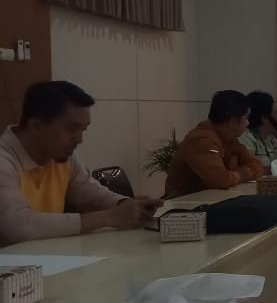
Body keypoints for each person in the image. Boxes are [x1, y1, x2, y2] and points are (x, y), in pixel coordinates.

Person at [0, 81, 162, 246]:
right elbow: (17, 226)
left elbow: (90, 193)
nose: (79, 139)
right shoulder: (4, 159)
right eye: (71, 129)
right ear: (36, 126)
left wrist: (125, 204)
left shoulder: (63, 157)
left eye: (82, 130)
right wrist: (108, 217)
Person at [164, 90, 265, 198]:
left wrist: (238, 175)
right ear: (232, 122)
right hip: (184, 206)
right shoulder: (201, 139)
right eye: (246, 118)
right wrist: (241, 175)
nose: (248, 123)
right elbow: (220, 180)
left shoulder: (229, 137)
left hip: (213, 200)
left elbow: (258, 167)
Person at [239, 91, 277, 171]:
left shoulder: (270, 138)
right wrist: (276, 168)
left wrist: (274, 168)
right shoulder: (245, 139)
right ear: (264, 118)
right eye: (276, 113)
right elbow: (251, 168)